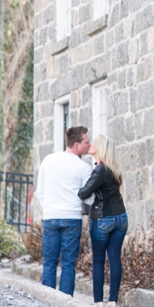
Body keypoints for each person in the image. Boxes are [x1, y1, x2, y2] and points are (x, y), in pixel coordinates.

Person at [35, 126, 92, 296]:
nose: (89, 145)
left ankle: (48, 299)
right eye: (86, 142)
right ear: (76, 145)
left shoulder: (48, 160)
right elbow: (89, 198)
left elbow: (40, 190)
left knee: (49, 262)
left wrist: (48, 208)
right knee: (68, 263)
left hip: (51, 217)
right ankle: (65, 301)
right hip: (72, 218)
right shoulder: (84, 167)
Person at [78, 134, 128, 307]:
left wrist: (81, 189)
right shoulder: (114, 169)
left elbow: (83, 193)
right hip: (121, 218)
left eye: (94, 143)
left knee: (99, 259)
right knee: (114, 257)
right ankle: (113, 301)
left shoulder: (100, 170)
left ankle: (99, 302)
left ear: (101, 148)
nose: (91, 144)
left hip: (103, 219)